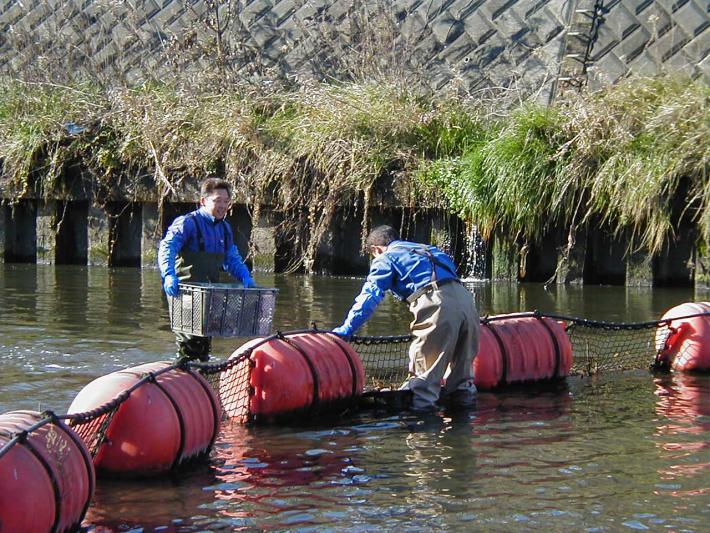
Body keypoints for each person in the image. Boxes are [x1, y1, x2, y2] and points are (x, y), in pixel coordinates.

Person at [333, 225, 479, 411]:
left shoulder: (386, 258)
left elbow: (369, 297)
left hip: (437, 304)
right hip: (468, 304)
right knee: (463, 381)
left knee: (424, 382)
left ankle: (422, 435)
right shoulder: (431, 250)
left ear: (376, 249)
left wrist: (347, 328)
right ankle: (463, 431)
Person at [158, 177, 256, 361]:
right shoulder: (187, 223)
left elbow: (231, 259)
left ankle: (201, 378)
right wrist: (169, 274)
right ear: (203, 201)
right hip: (185, 293)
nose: (223, 206)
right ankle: (185, 377)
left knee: (204, 345)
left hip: (209, 295)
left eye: (226, 202)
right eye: (217, 200)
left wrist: (245, 276)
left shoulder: (225, 229)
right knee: (189, 344)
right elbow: (167, 247)